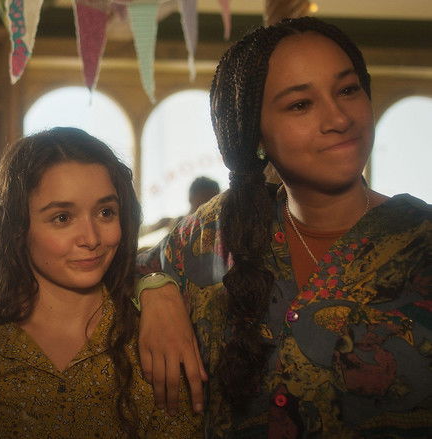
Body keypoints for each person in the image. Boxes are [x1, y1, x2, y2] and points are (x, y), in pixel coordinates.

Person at [136, 16, 431, 437]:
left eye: (348, 90)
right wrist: (156, 290)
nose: (338, 118)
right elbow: (125, 266)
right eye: (300, 104)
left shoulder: (421, 242)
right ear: (254, 134)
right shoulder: (216, 230)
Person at [0, 127, 200, 437]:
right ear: (18, 227)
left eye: (105, 212)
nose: (91, 238)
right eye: (62, 217)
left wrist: (158, 287)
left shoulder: (155, 334)